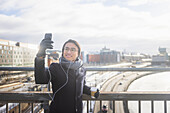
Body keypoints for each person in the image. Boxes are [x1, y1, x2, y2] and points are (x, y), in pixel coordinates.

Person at [34, 36, 100, 113]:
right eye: (66, 49)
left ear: (78, 53)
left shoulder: (82, 70)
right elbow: (40, 79)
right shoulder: (55, 68)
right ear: (63, 52)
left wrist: (91, 91)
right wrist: (40, 55)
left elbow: (81, 87)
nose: (68, 52)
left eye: (73, 50)